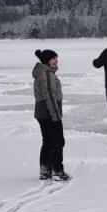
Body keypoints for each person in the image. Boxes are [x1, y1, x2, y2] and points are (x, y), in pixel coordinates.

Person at [33, 49, 70, 181]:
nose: (56, 61)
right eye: (54, 59)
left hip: (43, 112)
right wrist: (55, 116)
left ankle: (45, 170)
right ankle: (57, 170)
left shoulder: (44, 73)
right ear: (47, 60)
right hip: (49, 113)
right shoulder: (46, 74)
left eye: (57, 59)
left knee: (48, 141)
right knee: (58, 141)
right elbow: (49, 96)